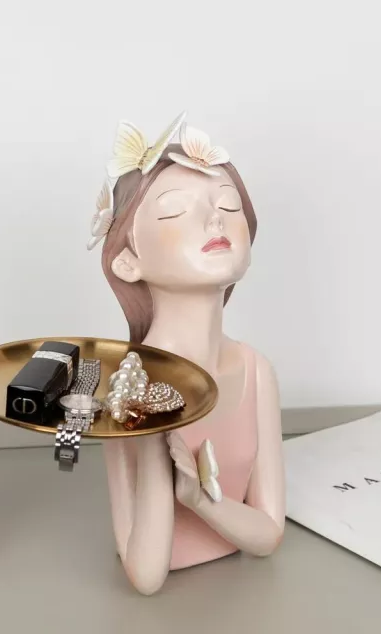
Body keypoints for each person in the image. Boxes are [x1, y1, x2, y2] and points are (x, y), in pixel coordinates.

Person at [89, 115, 285, 595]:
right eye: (175, 210)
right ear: (127, 261)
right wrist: (153, 441)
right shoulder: (125, 388)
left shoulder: (256, 371)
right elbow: (146, 575)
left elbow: (268, 534)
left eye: (228, 205)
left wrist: (199, 499)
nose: (215, 220)